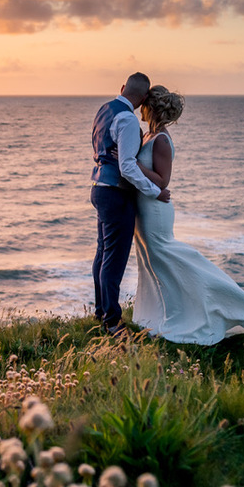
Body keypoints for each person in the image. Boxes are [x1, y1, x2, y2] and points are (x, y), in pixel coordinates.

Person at [132, 86, 244, 343]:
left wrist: (134, 164)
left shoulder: (161, 140)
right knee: (150, 262)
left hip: (156, 210)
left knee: (166, 256)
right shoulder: (147, 135)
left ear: (151, 107)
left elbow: (162, 181)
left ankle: (227, 302)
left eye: (144, 104)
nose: (139, 108)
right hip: (143, 208)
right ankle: (156, 315)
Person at [90, 73, 170, 331]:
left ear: (123, 87)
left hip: (99, 187)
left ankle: (101, 311)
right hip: (116, 193)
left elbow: (101, 150)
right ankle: (112, 321)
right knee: (113, 260)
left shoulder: (105, 110)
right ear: (144, 98)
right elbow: (127, 167)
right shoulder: (127, 119)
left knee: (103, 254)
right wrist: (154, 192)